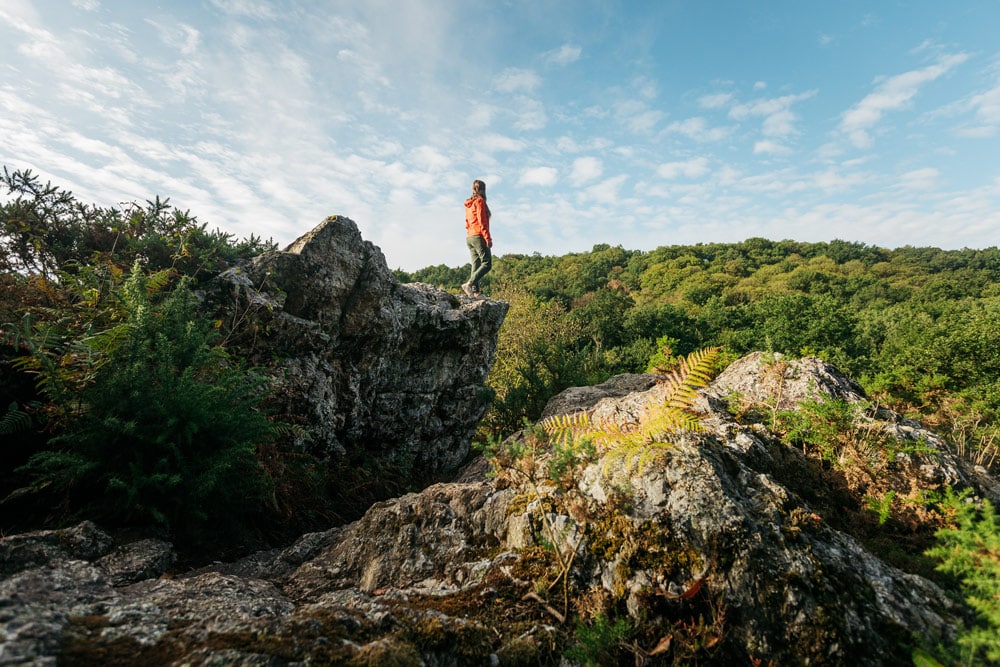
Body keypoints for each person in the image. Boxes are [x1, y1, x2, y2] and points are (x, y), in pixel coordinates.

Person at [462, 179, 492, 298]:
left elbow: (467, 222)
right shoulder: (479, 201)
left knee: (476, 264)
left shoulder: (469, 204)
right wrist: (487, 238)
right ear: (482, 190)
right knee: (487, 263)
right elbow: (482, 221)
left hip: (470, 237)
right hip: (478, 236)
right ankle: (469, 284)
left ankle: (476, 292)